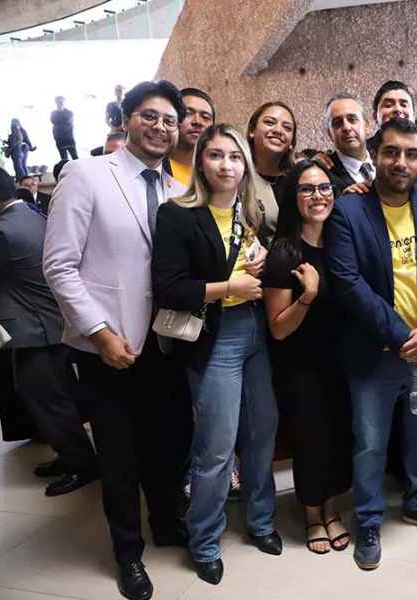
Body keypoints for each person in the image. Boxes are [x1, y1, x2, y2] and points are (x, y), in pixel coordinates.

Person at [43, 80, 191, 600]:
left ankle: (168, 523)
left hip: (167, 345)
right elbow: (59, 265)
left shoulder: (178, 189)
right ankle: (128, 553)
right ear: (127, 120)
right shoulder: (86, 174)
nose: (160, 127)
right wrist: (99, 332)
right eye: (149, 116)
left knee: (165, 446)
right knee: (119, 457)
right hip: (109, 348)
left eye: (170, 121)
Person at [325, 117, 417, 571]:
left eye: (410, 153)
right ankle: (368, 519)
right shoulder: (349, 211)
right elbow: (347, 282)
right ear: (375, 155)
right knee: (370, 442)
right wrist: (402, 335)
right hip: (377, 355)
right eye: (391, 152)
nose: (400, 162)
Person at [152, 123, 279, 585]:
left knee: (262, 432)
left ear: (245, 165)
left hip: (256, 330)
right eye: (216, 155)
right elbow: (168, 288)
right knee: (217, 446)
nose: (226, 165)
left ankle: (261, 521)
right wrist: (229, 286)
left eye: (235, 157)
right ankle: (204, 539)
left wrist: (262, 262)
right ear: (201, 162)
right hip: (215, 337)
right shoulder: (178, 214)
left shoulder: (251, 212)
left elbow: (253, 265)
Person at [262, 160, 352, 555]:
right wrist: (308, 296)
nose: (318, 196)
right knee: (312, 440)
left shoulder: (341, 243)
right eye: (307, 189)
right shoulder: (285, 253)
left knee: (339, 438)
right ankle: (313, 515)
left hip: (342, 360)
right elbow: (278, 328)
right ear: (293, 198)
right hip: (301, 366)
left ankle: (332, 509)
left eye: (324, 188)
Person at [0, 165, 98, 497]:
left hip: (33, 329)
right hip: (50, 323)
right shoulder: (31, 215)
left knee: (48, 401)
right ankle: (70, 456)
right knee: (58, 396)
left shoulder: (0, 231)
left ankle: (82, 465)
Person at [247, 101, 296, 245]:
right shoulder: (236, 176)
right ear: (252, 131)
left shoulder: (299, 179)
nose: (278, 130)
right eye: (269, 122)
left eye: (287, 128)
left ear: (292, 142)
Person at [322, 93, 375, 193]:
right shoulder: (323, 176)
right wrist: (343, 200)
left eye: (352, 120)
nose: (346, 128)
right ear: (330, 134)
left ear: (367, 127)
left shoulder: (386, 160)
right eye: (337, 123)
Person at [167, 88, 215, 187]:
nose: (197, 121)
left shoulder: (214, 176)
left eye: (205, 117)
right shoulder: (151, 167)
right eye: (188, 113)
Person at [366, 80, 416, 154]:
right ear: (375, 116)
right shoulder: (362, 153)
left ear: (414, 116)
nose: (398, 109)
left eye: (404, 105)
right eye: (388, 105)